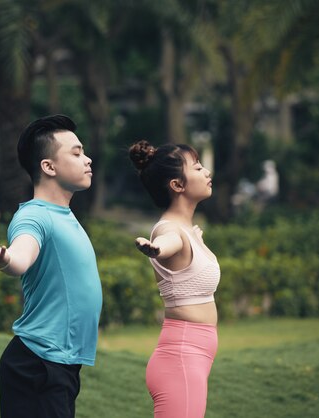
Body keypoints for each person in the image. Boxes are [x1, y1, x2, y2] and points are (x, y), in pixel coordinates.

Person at [0, 115, 102, 418]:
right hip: (37, 366)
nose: (88, 159)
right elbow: (21, 257)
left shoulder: (64, 215)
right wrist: (4, 259)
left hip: (57, 364)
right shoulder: (35, 216)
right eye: (77, 152)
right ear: (49, 167)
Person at [129, 140, 220, 418]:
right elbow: (167, 242)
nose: (206, 172)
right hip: (181, 358)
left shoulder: (187, 229)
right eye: (197, 167)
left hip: (191, 358)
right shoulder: (169, 230)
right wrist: (155, 249)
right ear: (177, 185)